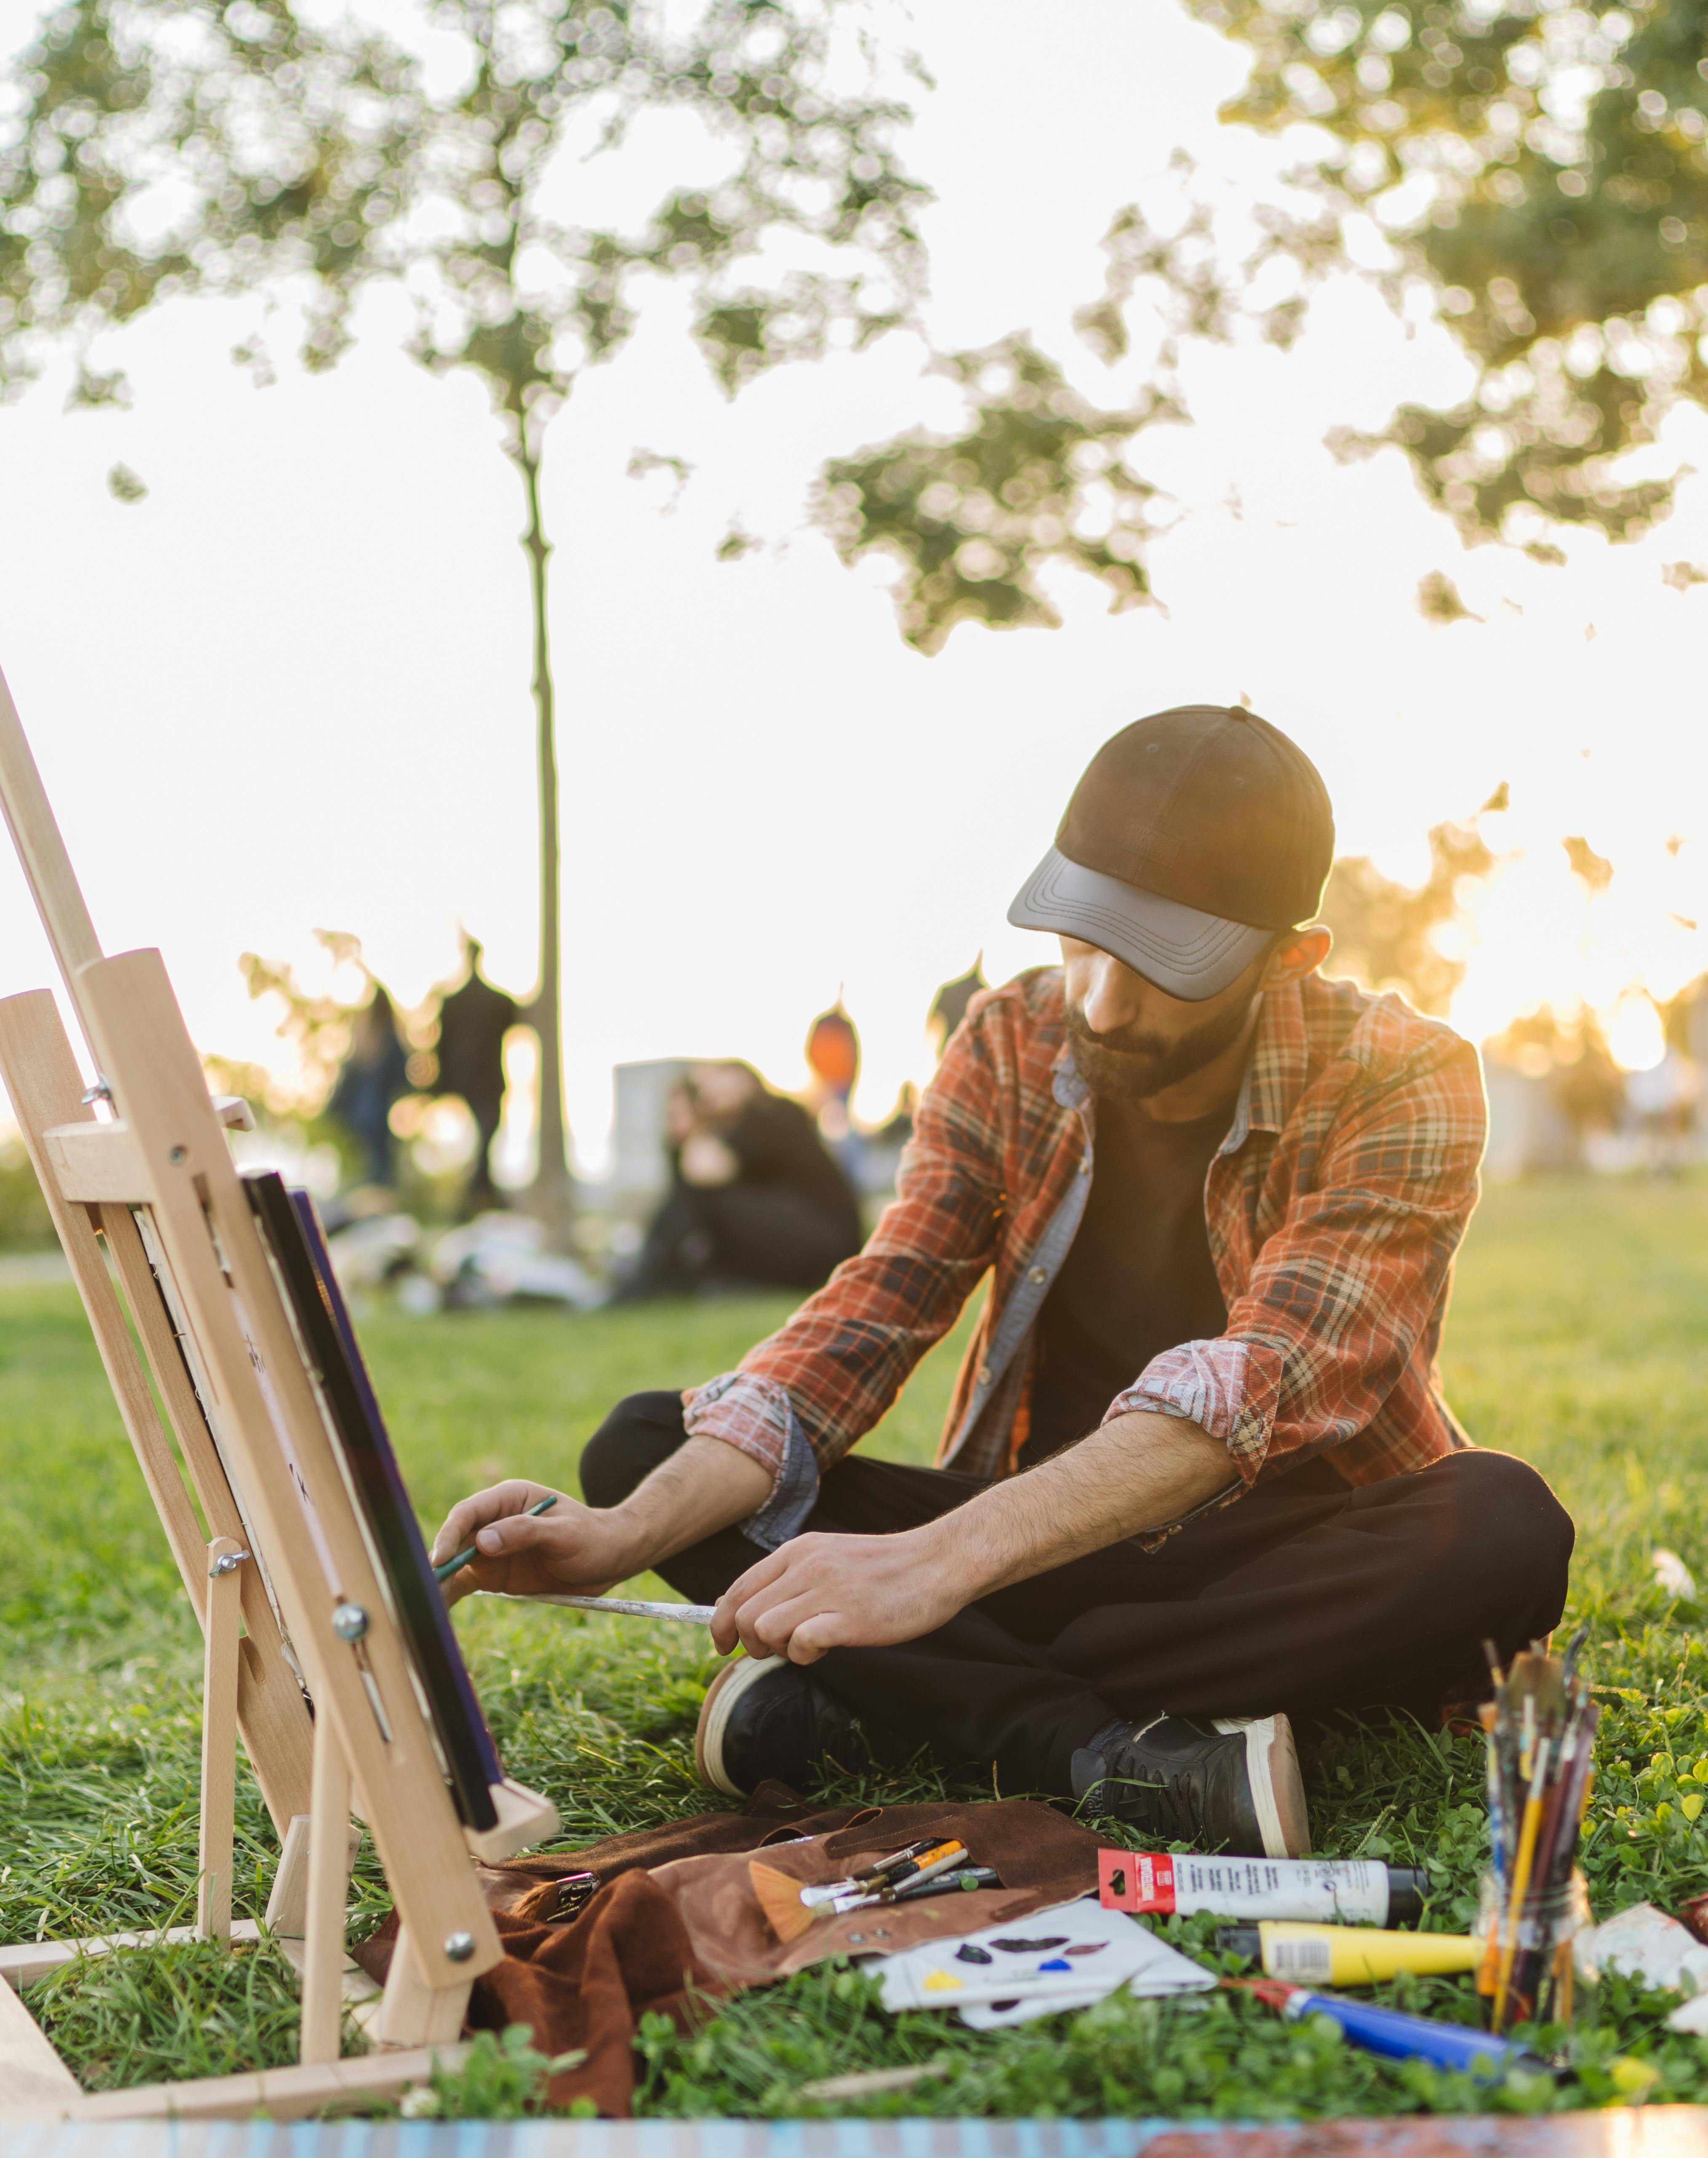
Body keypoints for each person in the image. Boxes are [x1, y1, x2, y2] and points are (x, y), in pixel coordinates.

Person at [434, 704, 1574, 1859]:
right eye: (1084, 941)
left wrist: (932, 1571)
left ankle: (896, 1702)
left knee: (1500, 1523)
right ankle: (1083, 1743)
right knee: (641, 1444)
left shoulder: (1403, 1075)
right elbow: (878, 1304)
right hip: (1046, 1543)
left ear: (1287, 957)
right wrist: (624, 1533)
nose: (1103, 1004)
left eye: (1162, 965)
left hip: (1276, 1558)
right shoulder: (1006, 1039)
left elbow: (1259, 1377)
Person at [617, 1059, 862, 1299]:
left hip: (825, 1240)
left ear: (747, 1080)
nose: (711, 1090)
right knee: (706, 1202)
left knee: (708, 1195)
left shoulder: (771, 1114)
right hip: (793, 1238)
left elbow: (706, 1171)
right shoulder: (727, 1131)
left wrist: (693, 1135)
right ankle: (658, 1277)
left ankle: (647, 1278)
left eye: (720, 1078)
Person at [433, 935, 519, 1212]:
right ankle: (480, 1196)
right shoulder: (488, 1001)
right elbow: (442, 1046)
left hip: (481, 1082)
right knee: (483, 1138)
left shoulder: (482, 1001)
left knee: (485, 1139)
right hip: (482, 1083)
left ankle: (480, 1195)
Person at [329, 984, 412, 1193]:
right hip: (377, 1113)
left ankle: (362, 1200)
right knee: (379, 1168)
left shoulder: (364, 1036)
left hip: (358, 1113)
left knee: (363, 1166)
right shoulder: (389, 1037)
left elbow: (349, 1076)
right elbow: (403, 1074)